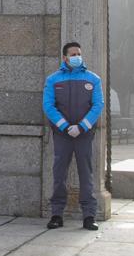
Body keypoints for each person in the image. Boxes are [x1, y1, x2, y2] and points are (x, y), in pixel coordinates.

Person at [43, 41, 104, 230]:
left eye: (79, 53)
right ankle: (56, 214)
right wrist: (65, 126)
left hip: (84, 134)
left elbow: (98, 105)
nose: (77, 56)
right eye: (73, 54)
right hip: (62, 134)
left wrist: (82, 126)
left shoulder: (93, 79)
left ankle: (89, 216)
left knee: (86, 173)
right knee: (59, 173)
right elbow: (48, 106)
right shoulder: (53, 80)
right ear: (65, 57)